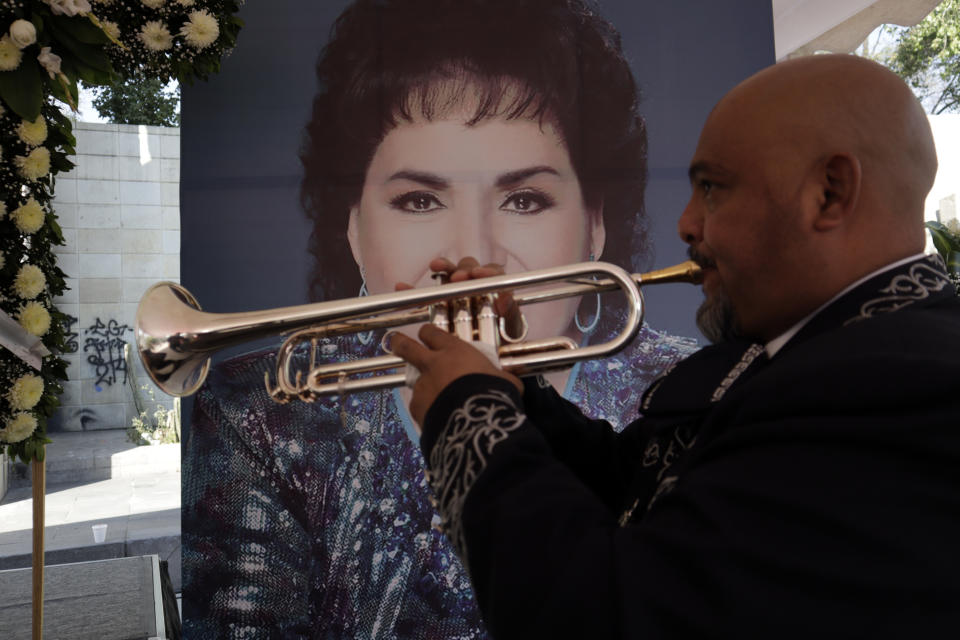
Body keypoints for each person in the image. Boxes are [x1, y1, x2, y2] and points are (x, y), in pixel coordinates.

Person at [392, 54, 960, 638]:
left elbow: (610, 616)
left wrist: (467, 411)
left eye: (713, 188)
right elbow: (630, 484)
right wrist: (509, 380)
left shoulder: (904, 386)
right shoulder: (787, 350)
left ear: (829, 193)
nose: (687, 224)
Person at [181, 0, 697, 637]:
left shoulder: (685, 396)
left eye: (524, 199)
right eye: (419, 199)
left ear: (595, 227)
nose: (471, 256)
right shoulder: (252, 413)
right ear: (352, 229)